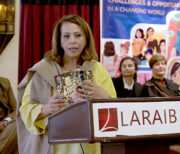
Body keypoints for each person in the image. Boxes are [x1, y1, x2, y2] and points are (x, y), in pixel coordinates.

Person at [16, 15, 116, 154]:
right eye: (66, 36)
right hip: (53, 147)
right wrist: (45, 109)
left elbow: (115, 113)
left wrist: (105, 97)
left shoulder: (98, 69)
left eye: (78, 35)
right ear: (59, 41)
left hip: (88, 147)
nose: (72, 41)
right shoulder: (43, 70)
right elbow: (24, 108)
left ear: (86, 39)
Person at [0, 77, 18, 154]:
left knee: (20, 124)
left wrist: (6, 120)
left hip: (6, 123)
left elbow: (15, 109)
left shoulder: (5, 82)